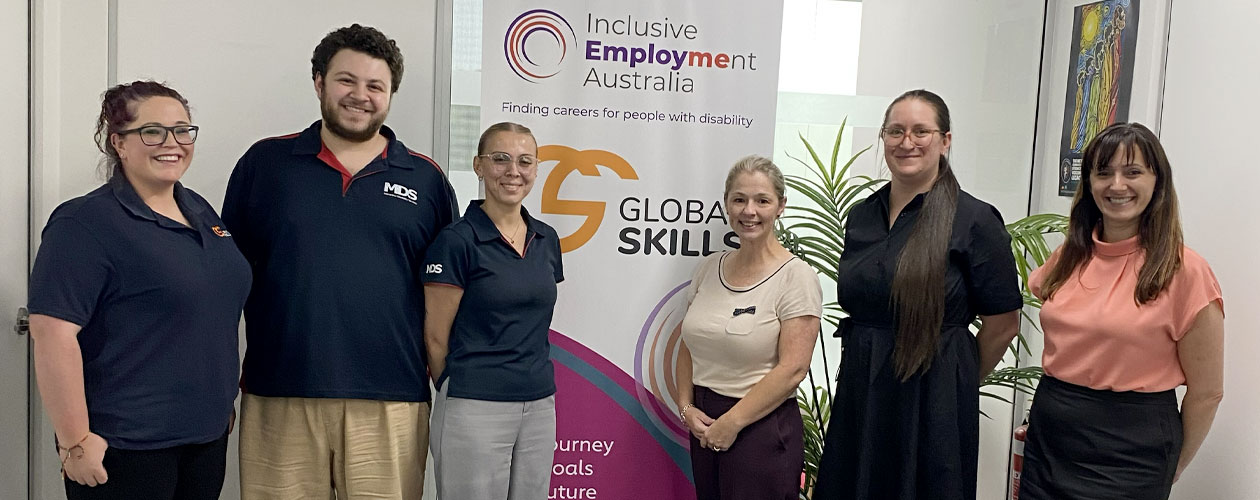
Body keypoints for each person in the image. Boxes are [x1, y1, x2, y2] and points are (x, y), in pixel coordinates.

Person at [222, 24, 458, 499]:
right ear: (319, 82)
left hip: (392, 398)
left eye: (376, 86)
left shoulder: (427, 180)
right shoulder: (264, 165)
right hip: (279, 391)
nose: (360, 95)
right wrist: (219, 384)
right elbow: (223, 288)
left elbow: (447, 299)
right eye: (346, 81)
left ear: (390, 94)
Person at [28, 80, 251, 500]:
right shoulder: (85, 223)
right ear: (119, 143)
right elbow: (52, 334)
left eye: (183, 130)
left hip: (205, 439)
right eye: (153, 131)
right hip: (126, 447)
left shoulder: (200, 210)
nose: (173, 142)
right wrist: (75, 441)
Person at [813, 89, 1023, 500]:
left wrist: (953, 380)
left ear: (945, 140)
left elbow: (1003, 324)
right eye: (895, 131)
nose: (906, 142)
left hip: (934, 399)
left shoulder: (975, 220)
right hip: (862, 390)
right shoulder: (861, 215)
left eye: (921, 131)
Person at [1021, 122, 1224, 500]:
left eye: (1132, 172)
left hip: (1132, 450)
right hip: (1050, 442)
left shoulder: (1185, 270)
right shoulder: (1069, 256)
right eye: (1103, 172)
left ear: (1157, 181)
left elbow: (1208, 391)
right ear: (1089, 183)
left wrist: (1172, 465)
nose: (1116, 185)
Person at [421, 122, 564, 500]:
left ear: (536, 168)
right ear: (478, 166)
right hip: (474, 404)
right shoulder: (456, 241)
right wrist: (463, 386)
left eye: (524, 161)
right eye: (500, 159)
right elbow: (435, 338)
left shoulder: (546, 238)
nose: (513, 171)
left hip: (538, 404)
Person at [673, 155, 822, 500]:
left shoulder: (796, 277)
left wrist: (732, 422)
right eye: (739, 199)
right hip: (705, 423)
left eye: (762, 200)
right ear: (726, 204)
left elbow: (793, 369)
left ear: (780, 206)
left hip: (761, 428)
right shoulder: (710, 268)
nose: (749, 211)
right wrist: (686, 407)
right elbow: (687, 344)